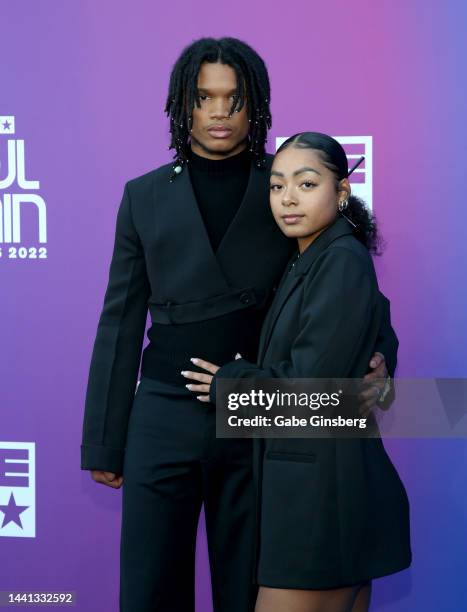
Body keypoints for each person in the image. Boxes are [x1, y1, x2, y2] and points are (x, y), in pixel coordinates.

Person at [80, 37, 399, 612]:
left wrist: (377, 357)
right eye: (205, 98)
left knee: (249, 588)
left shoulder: (281, 186)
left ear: (256, 106)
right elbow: (120, 319)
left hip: (256, 420)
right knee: (150, 588)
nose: (220, 113)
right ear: (183, 105)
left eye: (234, 99)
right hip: (161, 412)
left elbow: (342, 284)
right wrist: (105, 439)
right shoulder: (144, 196)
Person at [183, 132, 412, 612]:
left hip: (322, 499)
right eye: (277, 185)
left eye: (307, 184)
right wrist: (382, 360)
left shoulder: (339, 259)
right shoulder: (316, 254)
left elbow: (310, 389)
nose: (287, 198)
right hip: (321, 491)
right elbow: (376, 319)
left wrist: (228, 384)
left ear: (342, 192)